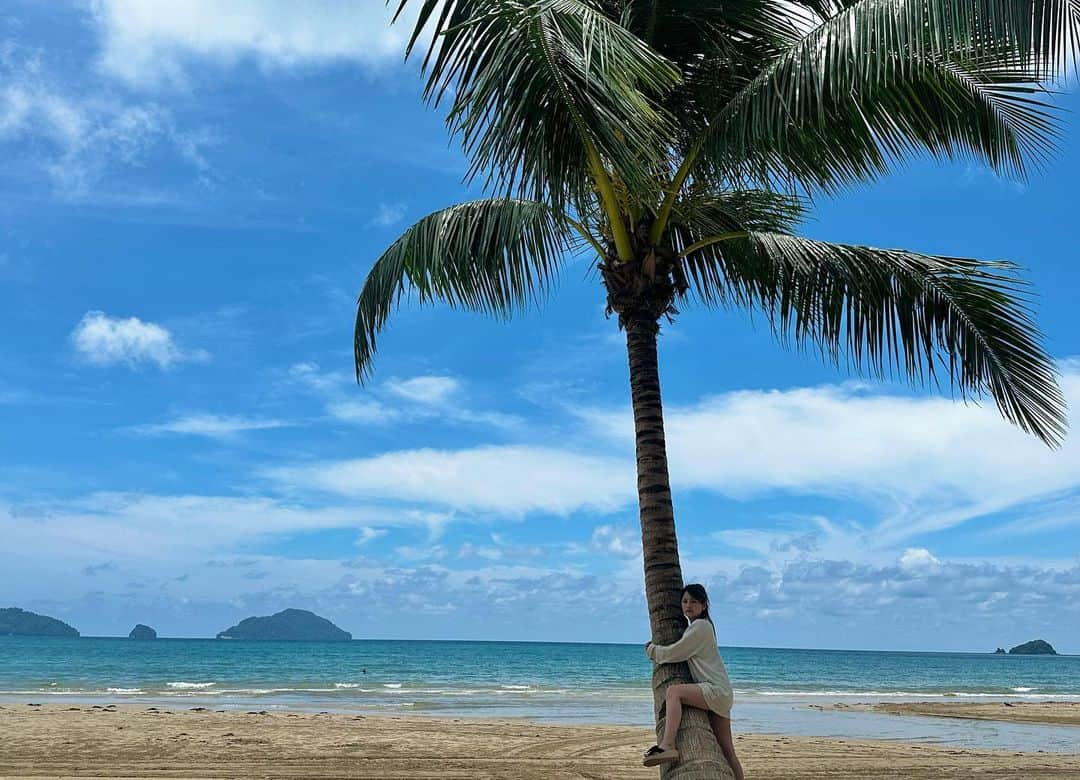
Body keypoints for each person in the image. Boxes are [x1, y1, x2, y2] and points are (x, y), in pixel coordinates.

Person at [642, 584, 743, 778]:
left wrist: (652, 650)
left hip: (715, 690)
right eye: (685, 601)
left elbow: (674, 653)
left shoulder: (700, 627)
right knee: (727, 751)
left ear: (704, 605)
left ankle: (667, 745)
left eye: (694, 601)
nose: (688, 605)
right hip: (721, 692)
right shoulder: (702, 627)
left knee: (673, 692)